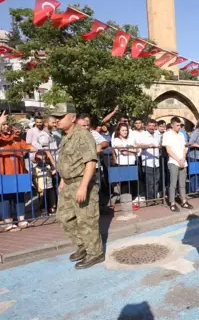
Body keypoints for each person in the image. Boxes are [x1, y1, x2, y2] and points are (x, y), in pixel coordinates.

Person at [52, 103, 104, 269]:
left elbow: (90, 162)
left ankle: (95, 253)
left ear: (72, 118)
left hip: (81, 183)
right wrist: (62, 180)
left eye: (61, 117)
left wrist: (83, 187)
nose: (57, 120)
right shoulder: (66, 136)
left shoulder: (82, 135)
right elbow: (67, 161)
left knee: (86, 220)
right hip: (68, 184)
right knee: (64, 217)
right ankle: (83, 245)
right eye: (56, 117)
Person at [0, 111, 37, 232]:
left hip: (18, 171)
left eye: (6, 124)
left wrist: (32, 149)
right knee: (5, 197)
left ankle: (21, 220)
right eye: (3, 124)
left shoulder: (14, 137)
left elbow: (27, 145)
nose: (5, 126)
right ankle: (7, 222)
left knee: (19, 196)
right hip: (2, 172)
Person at [163, 116, 192, 212]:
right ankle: (172, 203)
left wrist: (183, 158)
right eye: (177, 125)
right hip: (173, 162)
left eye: (180, 125)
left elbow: (184, 147)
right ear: (172, 125)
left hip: (183, 161)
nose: (179, 127)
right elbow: (168, 150)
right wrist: (178, 160)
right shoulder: (167, 134)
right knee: (173, 184)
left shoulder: (181, 135)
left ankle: (184, 201)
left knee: (182, 183)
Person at [112, 123, 140, 208]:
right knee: (124, 185)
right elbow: (124, 152)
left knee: (132, 183)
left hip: (131, 163)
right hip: (123, 164)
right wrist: (133, 150)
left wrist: (130, 150)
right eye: (123, 130)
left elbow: (137, 149)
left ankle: (130, 201)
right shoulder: (117, 140)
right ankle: (125, 202)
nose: (125, 132)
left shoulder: (130, 139)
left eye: (126, 130)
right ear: (119, 131)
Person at [136, 120, 163, 204]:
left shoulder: (157, 135)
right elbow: (139, 145)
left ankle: (155, 198)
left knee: (156, 182)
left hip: (156, 161)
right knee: (149, 183)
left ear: (155, 127)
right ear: (147, 126)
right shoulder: (143, 135)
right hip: (147, 162)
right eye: (150, 125)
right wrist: (148, 145)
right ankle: (150, 200)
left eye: (153, 126)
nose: (151, 127)